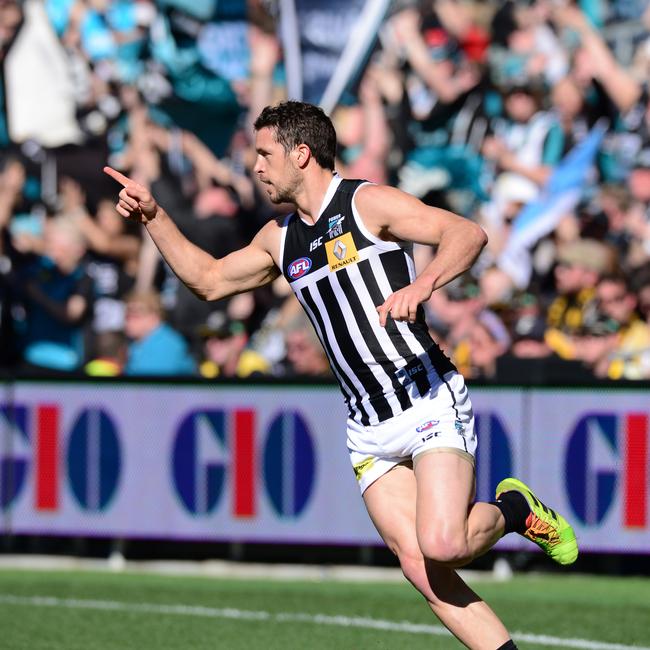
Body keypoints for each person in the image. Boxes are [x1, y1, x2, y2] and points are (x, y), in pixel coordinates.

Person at [105, 100, 578, 650]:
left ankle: (514, 509)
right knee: (423, 570)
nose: (255, 167)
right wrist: (155, 218)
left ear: (300, 154)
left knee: (445, 544)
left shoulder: (365, 201)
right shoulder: (279, 239)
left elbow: (466, 234)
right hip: (368, 427)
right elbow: (209, 281)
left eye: (264, 154)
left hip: (424, 396)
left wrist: (422, 285)